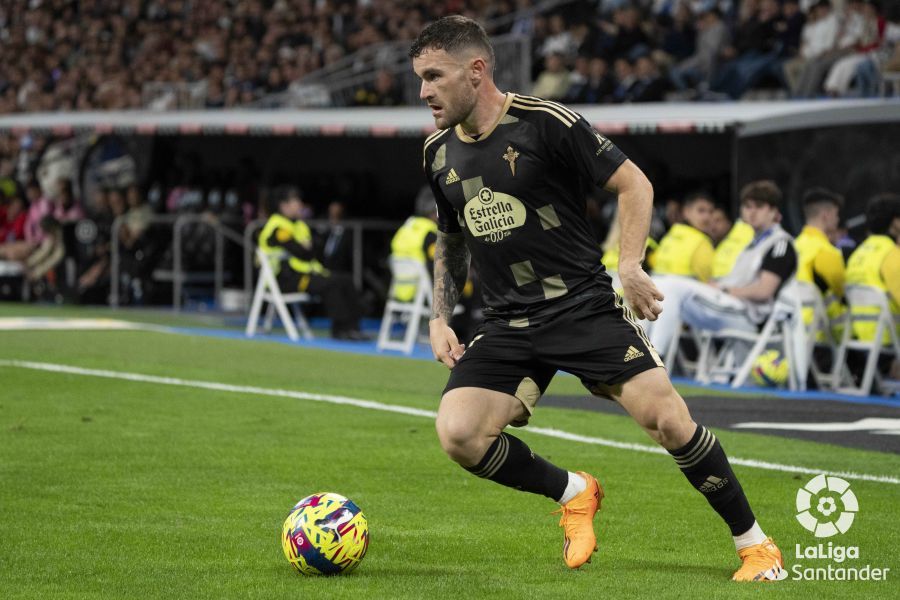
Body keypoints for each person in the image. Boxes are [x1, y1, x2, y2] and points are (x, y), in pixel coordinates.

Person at [410, 15, 784, 581]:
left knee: (668, 421)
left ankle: (757, 546)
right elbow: (452, 235)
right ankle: (574, 493)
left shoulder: (547, 123)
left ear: (476, 70)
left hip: (581, 306)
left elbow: (635, 184)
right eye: (420, 78)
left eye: (434, 76)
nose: (423, 92)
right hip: (509, 322)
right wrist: (441, 316)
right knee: (459, 434)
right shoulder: (437, 152)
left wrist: (629, 264)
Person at [680, 181, 797, 339]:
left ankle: (655, 355)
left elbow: (764, 291)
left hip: (754, 317)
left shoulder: (780, 244)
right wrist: (717, 285)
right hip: (737, 307)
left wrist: (725, 290)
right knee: (677, 296)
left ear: (773, 211)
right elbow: (737, 280)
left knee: (677, 292)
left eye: (759, 207)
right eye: (748, 207)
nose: (752, 212)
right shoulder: (750, 245)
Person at [259, 186, 365, 340]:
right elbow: (301, 252)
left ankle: (353, 328)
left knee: (346, 280)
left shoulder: (299, 225)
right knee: (332, 283)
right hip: (285, 279)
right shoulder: (278, 227)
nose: (300, 204)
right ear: (284, 205)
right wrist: (305, 248)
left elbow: (313, 249)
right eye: (296, 201)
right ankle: (340, 330)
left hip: (306, 273)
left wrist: (306, 248)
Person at [844, 193, 900, 342]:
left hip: (863, 341)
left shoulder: (857, 255)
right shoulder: (892, 255)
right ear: (895, 223)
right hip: (891, 339)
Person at [794, 187, 846, 332]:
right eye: (836, 215)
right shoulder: (825, 251)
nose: (838, 220)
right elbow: (843, 292)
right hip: (819, 333)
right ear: (826, 215)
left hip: (792, 326)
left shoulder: (795, 245)